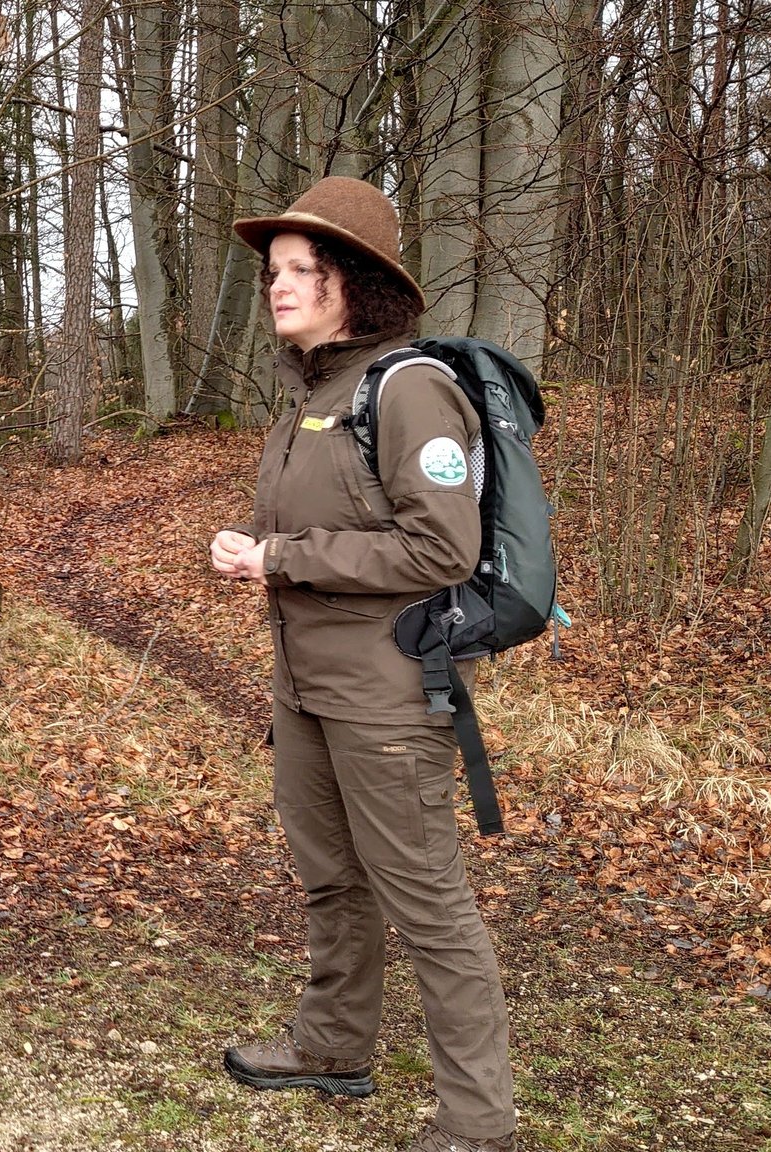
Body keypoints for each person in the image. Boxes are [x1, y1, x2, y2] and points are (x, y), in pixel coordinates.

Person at [207, 176, 516, 1152]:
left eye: (302, 269)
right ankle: (331, 1046)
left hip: (386, 695)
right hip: (303, 692)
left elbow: (441, 550)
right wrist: (251, 550)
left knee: (426, 901)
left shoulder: (409, 388)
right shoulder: (310, 394)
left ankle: (476, 1123)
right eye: (272, 271)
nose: (277, 285)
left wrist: (284, 558)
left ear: (355, 282)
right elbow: (319, 530)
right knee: (330, 879)